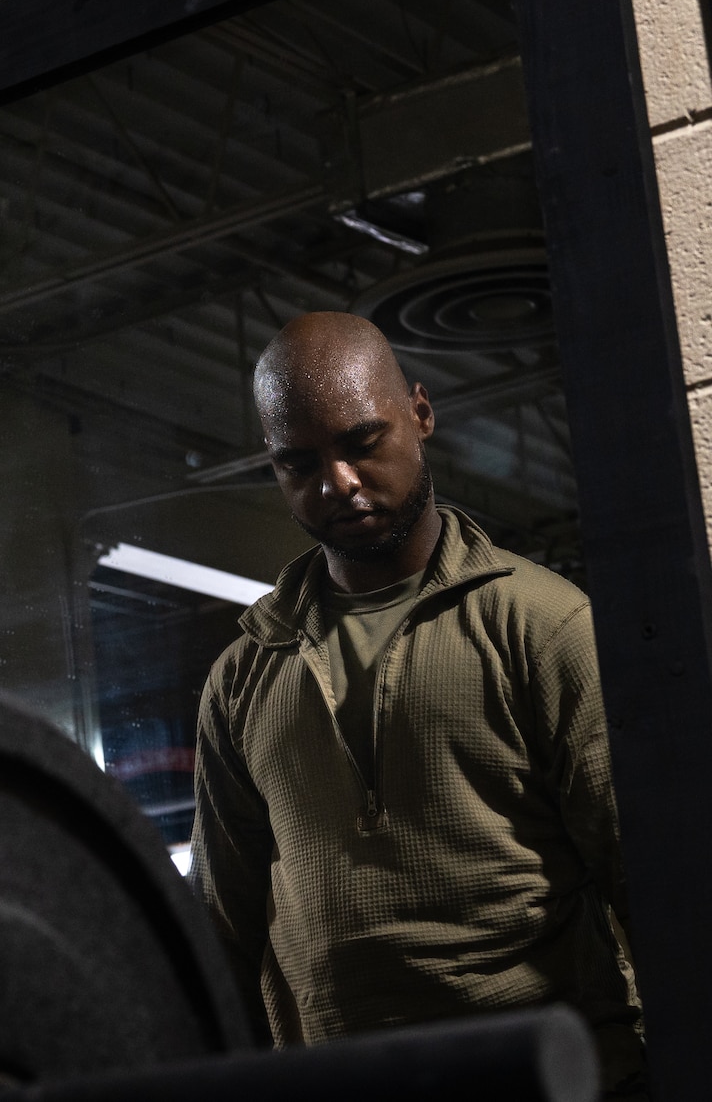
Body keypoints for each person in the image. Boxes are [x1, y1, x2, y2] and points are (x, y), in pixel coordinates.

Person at [191, 312, 640, 1091]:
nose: (338, 482)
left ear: (421, 415)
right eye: (298, 463)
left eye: (362, 442)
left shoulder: (544, 626)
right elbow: (220, 937)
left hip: (558, 1079)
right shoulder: (243, 678)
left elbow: (653, 885)